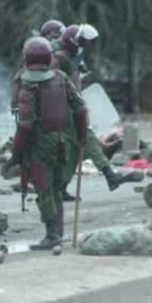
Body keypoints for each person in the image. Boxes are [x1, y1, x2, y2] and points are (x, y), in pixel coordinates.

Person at [7, 37, 89, 250]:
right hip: (63, 141)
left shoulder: (28, 86)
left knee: (45, 190)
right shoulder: (61, 78)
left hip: (40, 144)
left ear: (26, 58)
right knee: (56, 188)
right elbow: (80, 109)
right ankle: (57, 235)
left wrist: (15, 156)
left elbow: (24, 126)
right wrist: (81, 137)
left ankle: (53, 235)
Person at [54, 24, 125, 198]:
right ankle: (109, 174)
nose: (84, 46)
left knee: (73, 152)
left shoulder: (70, 57)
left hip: (69, 106)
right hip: (62, 108)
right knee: (86, 136)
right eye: (82, 42)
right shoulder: (58, 57)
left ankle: (60, 187)